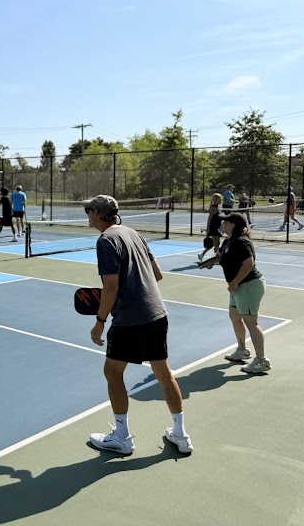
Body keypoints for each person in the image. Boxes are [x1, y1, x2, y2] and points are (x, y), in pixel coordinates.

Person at [86, 195, 193, 455]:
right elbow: (157, 274)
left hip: (130, 320)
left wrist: (100, 321)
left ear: (99, 214)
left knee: (113, 373)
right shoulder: (133, 233)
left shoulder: (106, 241)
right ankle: (180, 435)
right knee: (164, 373)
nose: (87, 214)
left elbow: (110, 286)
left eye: (89, 210)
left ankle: (122, 437)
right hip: (157, 314)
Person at [200, 213, 270, 374]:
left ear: (232, 224)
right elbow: (220, 256)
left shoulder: (241, 241)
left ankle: (261, 361)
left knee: (251, 322)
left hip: (248, 285)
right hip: (237, 287)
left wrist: (235, 282)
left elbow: (248, 263)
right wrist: (210, 262)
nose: (222, 224)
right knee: (235, 316)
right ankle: (242, 350)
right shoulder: (229, 240)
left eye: (225, 222)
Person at [197, 192, 224, 261]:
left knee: (215, 243)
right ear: (215, 199)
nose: (221, 201)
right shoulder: (213, 208)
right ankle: (215, 259)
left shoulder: (218, 207)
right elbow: (209, 219)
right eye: (220, 199)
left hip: (217, 227)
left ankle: (202, 254)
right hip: (214, 228)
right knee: (216, 245)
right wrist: (207, 229)